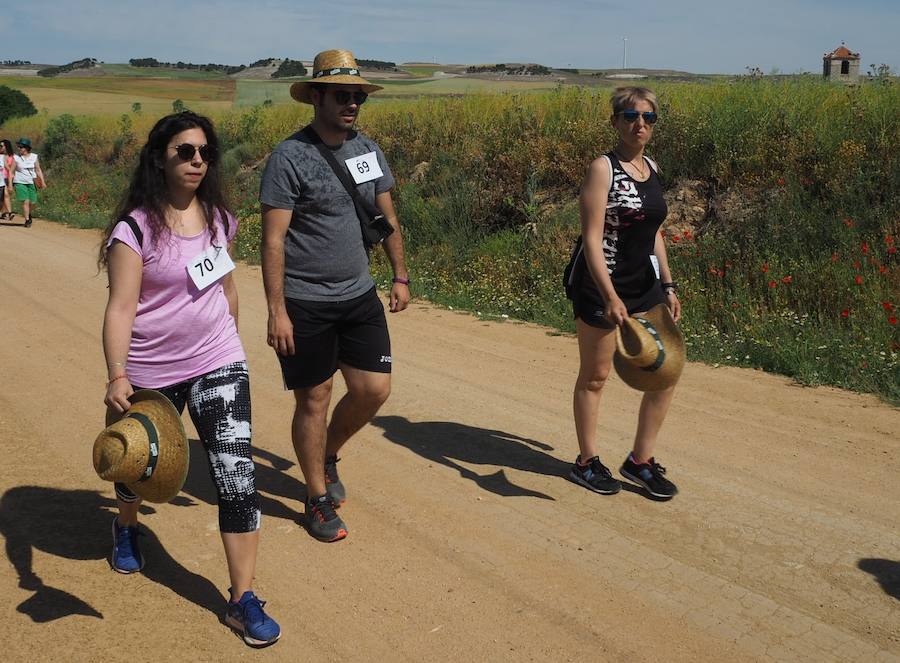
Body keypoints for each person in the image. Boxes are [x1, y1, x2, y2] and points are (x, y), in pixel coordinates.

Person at [98, 111, 280, 647]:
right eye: (184, 151)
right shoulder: (134, 229)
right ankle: (127, 525)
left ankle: (242, 599)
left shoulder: (220, 218)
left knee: (237, 478)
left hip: (217, 361)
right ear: (160, 158)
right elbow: (120, 309)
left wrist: (232, 345)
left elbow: (225, 289)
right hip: (150, 376)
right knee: (138, 466)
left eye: (204, 151)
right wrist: (116, 374)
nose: (197, 160)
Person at [260, 49, 410, 542]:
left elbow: (386, 218)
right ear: (317, 97)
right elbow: (274, 239)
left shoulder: (367, 151)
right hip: (305, 300)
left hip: (358, 294)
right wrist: (277, 310)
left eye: (358, 97)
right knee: (315, 399)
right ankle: (317, 497)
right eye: (342, 95)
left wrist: (400, 275)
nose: (352, 104)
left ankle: (326, 454)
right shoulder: (290, 157)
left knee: (374, 389)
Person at [566, 87, 682, 500]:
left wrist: (667, 284)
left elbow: (656, 233)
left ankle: (640, 461)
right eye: (631, 115)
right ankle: (586, 461)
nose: (640, 124)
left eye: (649, 118)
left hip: (644, 285)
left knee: (664, 373)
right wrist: (610, 295)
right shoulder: (603, 168)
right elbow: (592, 239)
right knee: (596, 377)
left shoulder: (652, 166)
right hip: (602, 284)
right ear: (615, 121)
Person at [13, 137, 44, 227]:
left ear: (26, 148)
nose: (19, 148)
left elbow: (38, 170)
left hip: (31, 181)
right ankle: (27, 220)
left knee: (32, 202)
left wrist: (42, 181)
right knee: (25, 201)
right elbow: (11, 171)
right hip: (19, 182)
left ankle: (28, 214)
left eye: (21, 147)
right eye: (18, 147)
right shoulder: (16, 158)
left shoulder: (34, 157)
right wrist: (11, 184)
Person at [0, 139, 14, 220]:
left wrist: (12, 175)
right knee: (4, 195)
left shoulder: (12, 156)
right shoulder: (2, 156)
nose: (1, 147)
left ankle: (7, 212)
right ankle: (6, 212)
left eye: (2, 146)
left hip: (7, 178)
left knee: (5, 195)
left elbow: (11, 168)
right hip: (3, 178)